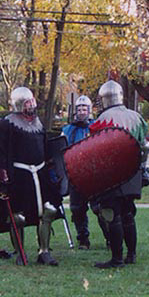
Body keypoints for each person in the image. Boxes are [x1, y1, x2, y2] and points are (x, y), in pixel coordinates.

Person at [0, 87, 62, 266]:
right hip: (19, 177)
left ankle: (44, 252)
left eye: (32, 101)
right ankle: (20, 253)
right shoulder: (7, 124)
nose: (32, 105)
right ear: (20, 104)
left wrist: (52, 166)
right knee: (17, 217)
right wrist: (2, 179)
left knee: (49, 211)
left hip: (40, 174)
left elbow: (45, 147)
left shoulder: (37, 123)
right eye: (28, 102)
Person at [90, 80, 149, 268]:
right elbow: (144, 145)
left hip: (112, 175)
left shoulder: (101, 121)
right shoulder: (136, 117)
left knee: (111, 214)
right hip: (132, 174)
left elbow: (96, 151)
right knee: (128, 214)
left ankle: (117, 259)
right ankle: (131, 255)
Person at [60, 95, 100, 250]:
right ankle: (83, 239)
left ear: (89, 110)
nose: (82, 111)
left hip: (94, 176)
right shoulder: (68, 131)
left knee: (99, 208)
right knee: (77, 209)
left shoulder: (97, 128)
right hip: (75, 175)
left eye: (84, 108)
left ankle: (110, 237)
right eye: (79, 108)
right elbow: (62, 151)